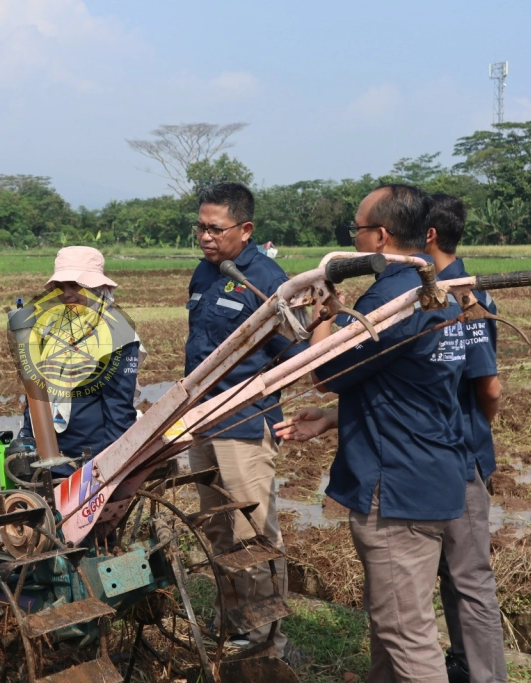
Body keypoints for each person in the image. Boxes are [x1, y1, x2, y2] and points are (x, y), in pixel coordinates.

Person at [275, 184, 468, 683]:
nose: (352, 238)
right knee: (392, 624)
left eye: (356, 229)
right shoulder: (440, 292)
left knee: (407, 633)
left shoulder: (392, 299)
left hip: (396, 490)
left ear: (380, 236)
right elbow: (416, 388)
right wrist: (339, 417)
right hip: (431, 474)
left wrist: (325, 317)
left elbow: (328, 372)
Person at [185, 182, 304, 653]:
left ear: (246, 229)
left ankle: (267, 635)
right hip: (199, 421)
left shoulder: (268, 280)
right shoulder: (204, 274)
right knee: (215, 526)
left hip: (243, 423)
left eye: (215, 228)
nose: (205, 237)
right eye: (200, 227)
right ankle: (231, 622)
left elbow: (292, 356)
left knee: (251, 530)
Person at [425, 194, 506, 683]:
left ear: (428, 237)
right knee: (450, 575)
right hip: (432, 455)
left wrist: (472, 436)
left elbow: (489, 388)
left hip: (460, 455)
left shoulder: (468, 297)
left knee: (469, 578)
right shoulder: (421, 294)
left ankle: (484, 676)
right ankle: (460, 664)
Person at [17, 246, 142, 470]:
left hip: (89, 456)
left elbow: (119, 411)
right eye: (60, 286)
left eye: (75, 285)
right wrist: (26, 435)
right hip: (48, 451)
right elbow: (35, 388)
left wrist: (107, 467)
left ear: (98, 287)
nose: (67, 293)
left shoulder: (117, 334)